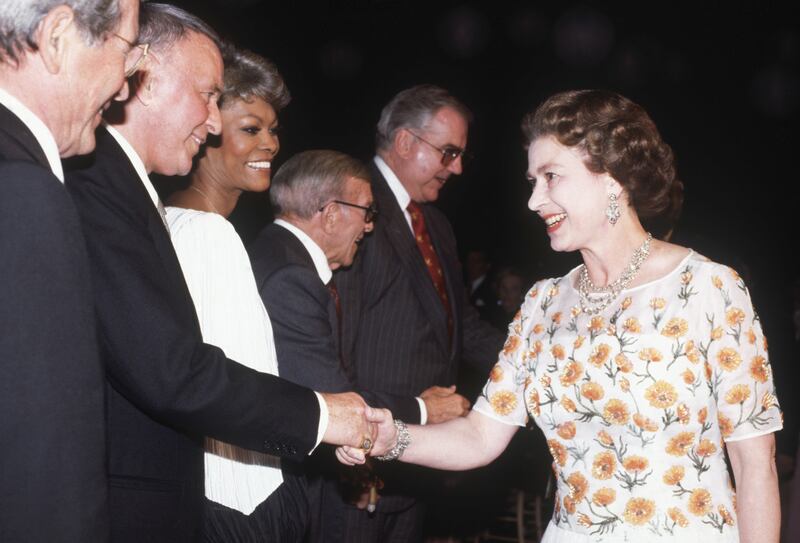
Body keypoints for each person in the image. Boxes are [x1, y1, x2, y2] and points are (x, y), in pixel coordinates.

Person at [348, 90, 784, 543]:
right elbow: (479, 436)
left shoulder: (707, 288)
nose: (535, 201)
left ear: (612, 178)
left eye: (551, 177)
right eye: (532, 180)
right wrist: (390, 438)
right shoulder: (543, 303)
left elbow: (756, 464)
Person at [65, 4, 377, 541]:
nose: (211, 123)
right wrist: (324, 417)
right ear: (141, 80)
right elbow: (181, 376)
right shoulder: (135, 203)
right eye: (208, 96)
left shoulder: (143, 202)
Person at [249, 149, 470, 540]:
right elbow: (329, 398)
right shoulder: (291, 277)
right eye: (367, 212)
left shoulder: (280, 254)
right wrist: (423, 408)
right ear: (332, 213)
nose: (369, 227)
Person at [334, 84, 505, 541]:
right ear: (405, 141)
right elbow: (334, 339)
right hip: (360, 463)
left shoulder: (438, 226)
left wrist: (537, 359)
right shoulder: (351, 205)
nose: (458, 168)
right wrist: (356, 444)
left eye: (462, 155)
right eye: (449, 152)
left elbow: (462, 329)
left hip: (419, 461)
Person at [0, 0, 139, 540]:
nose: (125, 90)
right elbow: (47, 477)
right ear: (57, 37)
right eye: (124, 52)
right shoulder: (25, 192)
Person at [163, 46, 307, 541]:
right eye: (251, 129)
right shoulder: (209, 236)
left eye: (273, 129)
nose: (270, 143)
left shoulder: (169, 222)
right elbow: (234, 389)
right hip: (238, 500)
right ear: (205, 131)